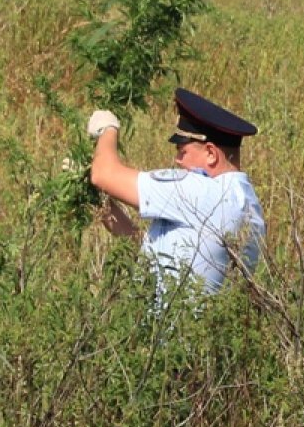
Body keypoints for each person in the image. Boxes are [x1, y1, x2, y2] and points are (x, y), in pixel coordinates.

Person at [87, 88, 266, 298]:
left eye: (183, 151)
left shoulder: (200, 191)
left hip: (170, 329)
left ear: (210, 154)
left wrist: (108, 129)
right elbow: (158, 254)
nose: (178, 161)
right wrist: (100, 204)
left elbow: (104, 174)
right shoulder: (250, 205)